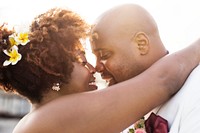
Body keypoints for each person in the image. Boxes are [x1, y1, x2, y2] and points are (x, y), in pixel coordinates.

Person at [0, 7, 200, 133]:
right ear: (56, 72)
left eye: (102, 55)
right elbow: (162, 80)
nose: (93, 68)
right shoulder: (53, 117)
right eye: (82, 59)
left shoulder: (39, 119)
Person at [90, 3, 200, 132]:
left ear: (141, 44)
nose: (97, 67)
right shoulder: (124, 114)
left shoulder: (196, 87)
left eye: (104, 55)